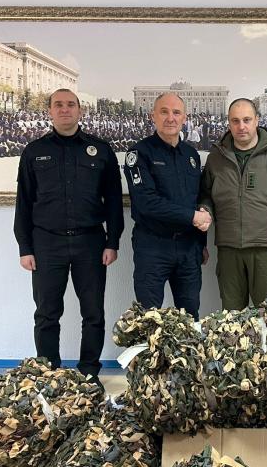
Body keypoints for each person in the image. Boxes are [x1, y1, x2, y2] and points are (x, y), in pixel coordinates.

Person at [13, 88, 124, 388]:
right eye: (58, 105)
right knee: (46, 314)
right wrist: (25, 247)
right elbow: (24, 202)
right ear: (50, 111)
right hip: (46, 243)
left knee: (93, 313)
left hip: (91, 242)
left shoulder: (100, 150)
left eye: (71, 104)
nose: (65, 109)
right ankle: (49, 375)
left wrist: (112, 241)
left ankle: (89, 373)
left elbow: (114, 200)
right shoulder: (34, 151)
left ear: (80, 110)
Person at [199, 98, 267, 310]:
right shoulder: (216, 157)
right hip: (229, 248)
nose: (241, 126)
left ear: (257, 120)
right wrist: (205, 210)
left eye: (247, 120)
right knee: (232, 317)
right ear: (228, 123)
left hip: (266, 249)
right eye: (235, 121)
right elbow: (205, 194)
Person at [124, 92, 210, 319]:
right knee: (149, 319)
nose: (170, 118)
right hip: (153, 247)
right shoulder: (138, 153)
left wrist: (201, 243)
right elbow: (147, 202)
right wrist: (192, 217)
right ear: (153, 116)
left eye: (176, 112)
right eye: (164, 112)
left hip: (188, 247)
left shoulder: (191, 155)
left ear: (185, 118)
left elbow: (196, 199)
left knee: (189, 316)